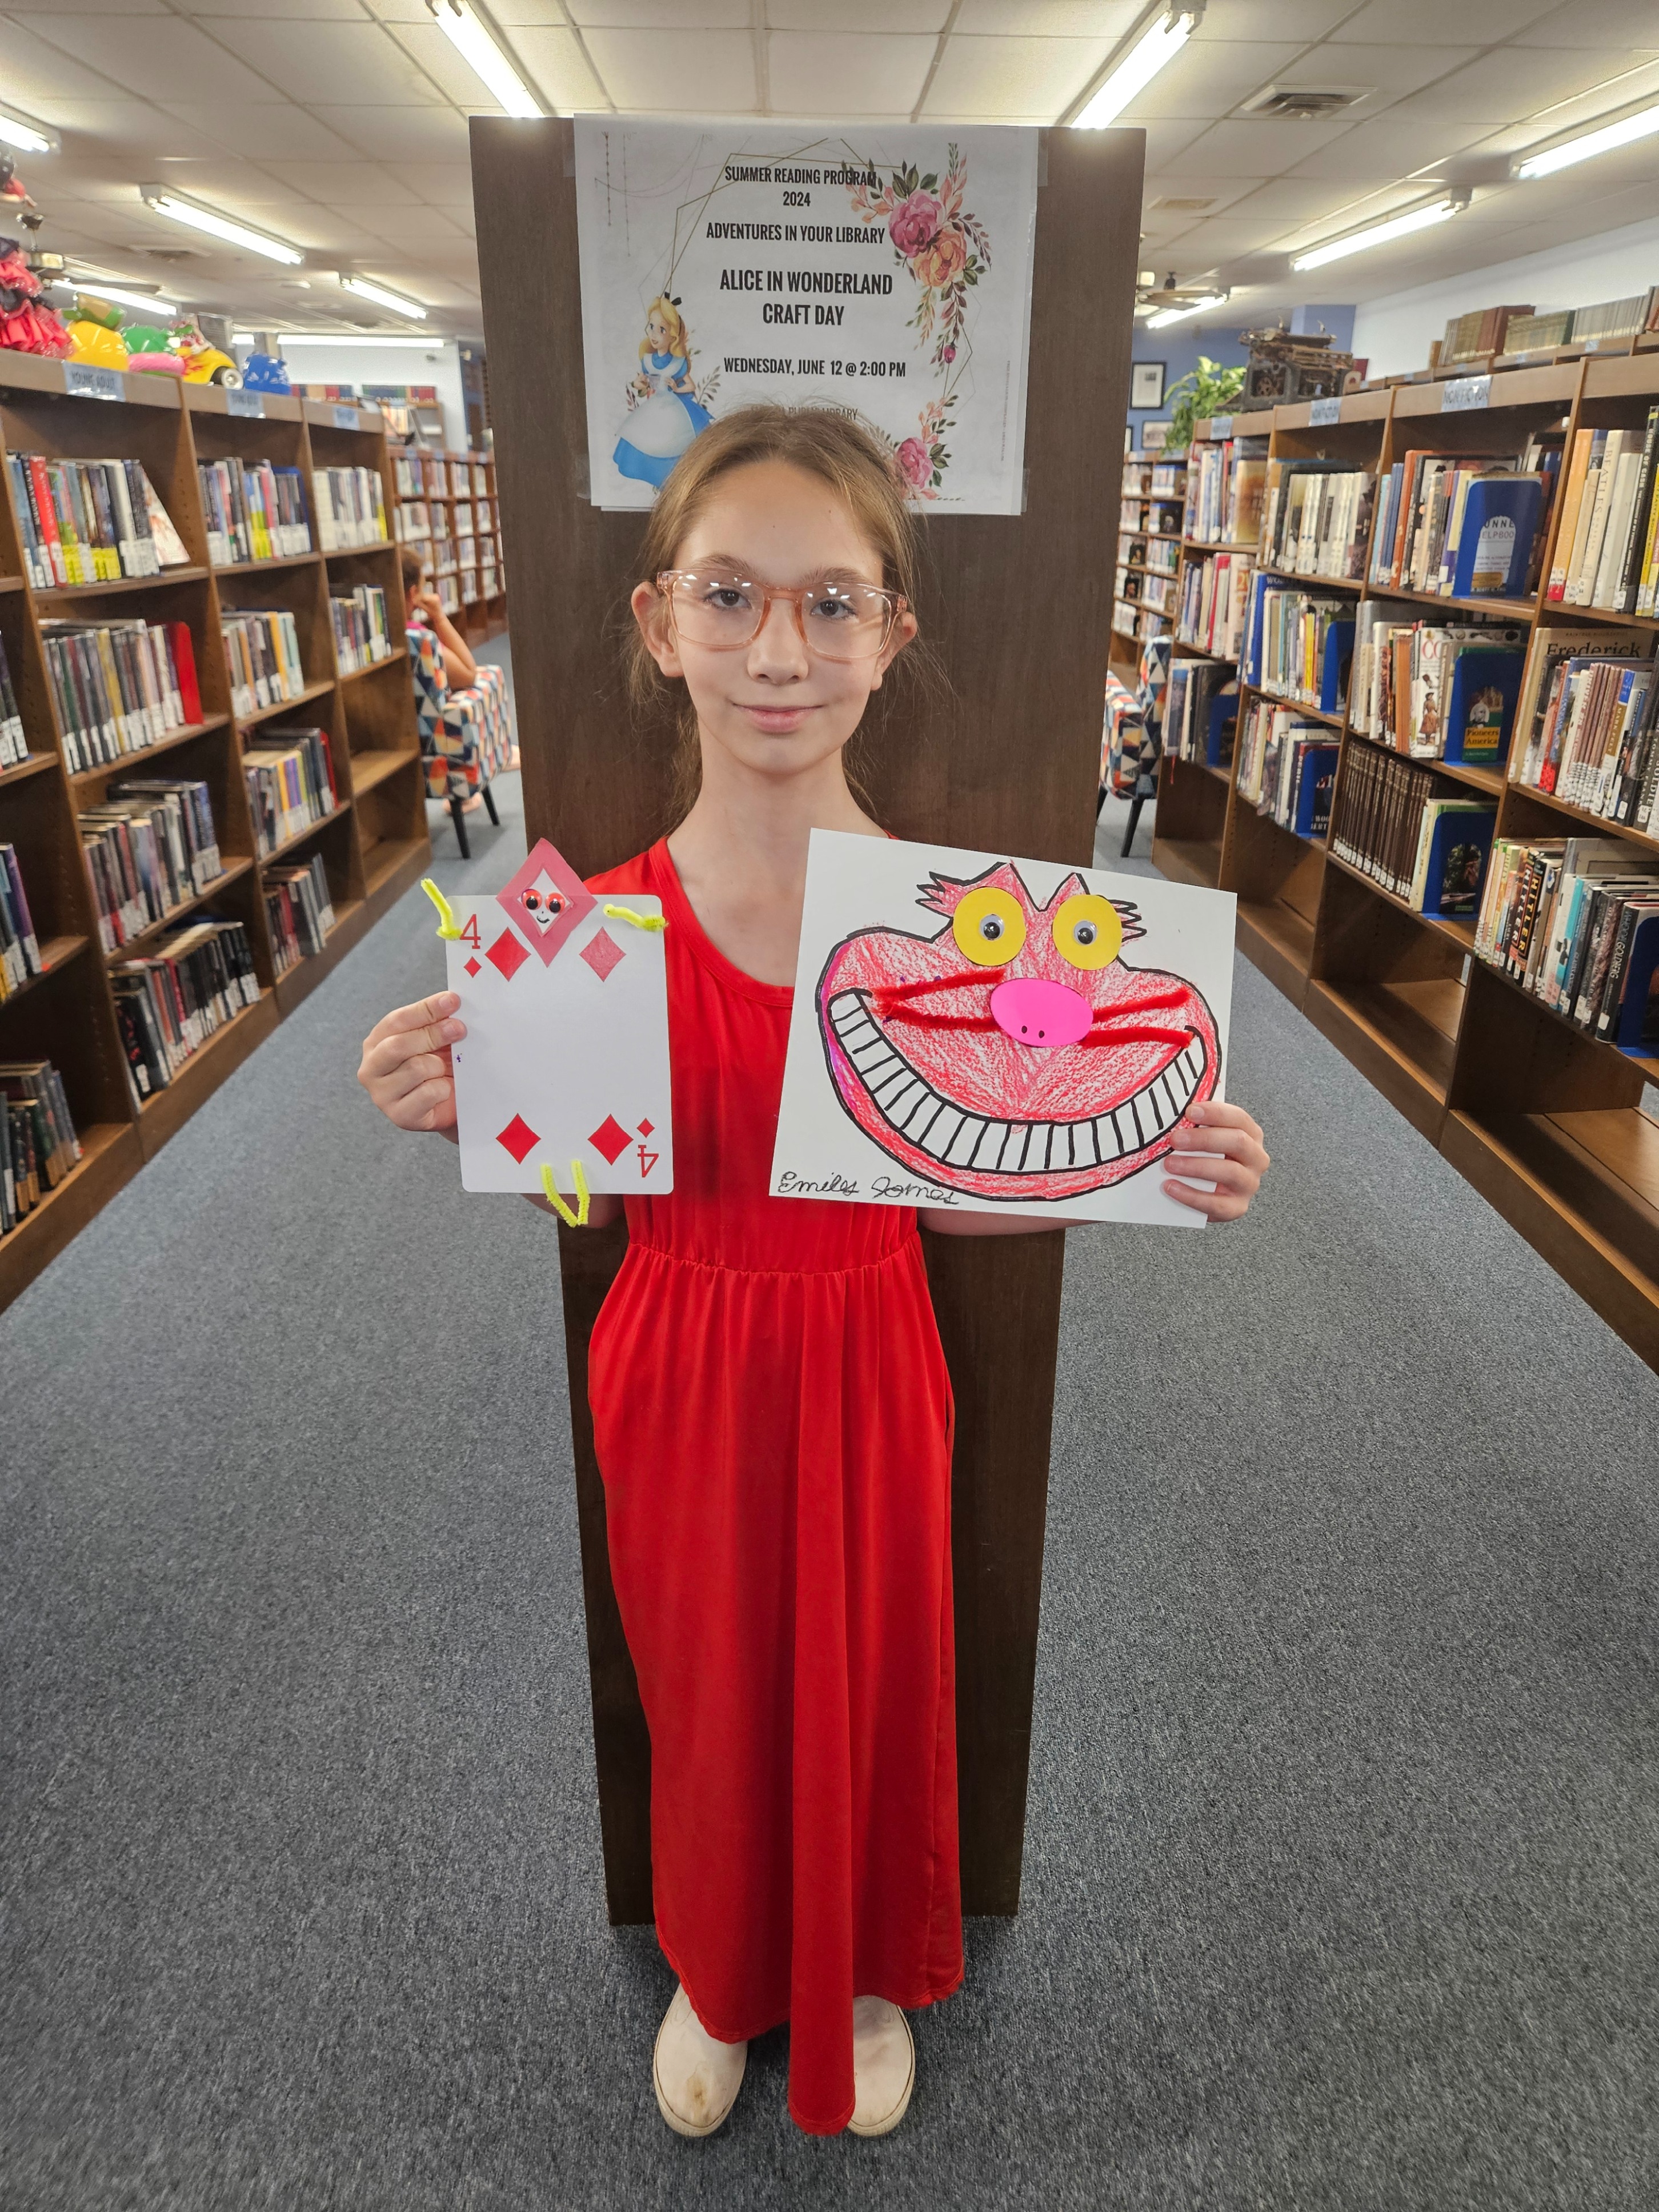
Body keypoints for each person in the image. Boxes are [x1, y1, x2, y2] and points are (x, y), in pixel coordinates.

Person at [358, 408, 1270, 2141]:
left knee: (872, 1671)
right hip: (677, 1355)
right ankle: (717, 1961)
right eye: (729, 595)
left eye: (830, 602)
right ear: (659, 624)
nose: (778, 652)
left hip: (869, 1347)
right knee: (701, 1686)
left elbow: (953, 1195)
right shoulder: (578, 927)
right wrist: (460, 1115)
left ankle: (855, 1966)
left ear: (890, 634)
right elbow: (583, 1199)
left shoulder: (951, 935)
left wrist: (1132, 1171)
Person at [402, 544, 477, 693]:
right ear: (413, 593)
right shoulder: (416, 637)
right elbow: (469, 675)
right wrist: (440, 618)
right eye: (423, 588)